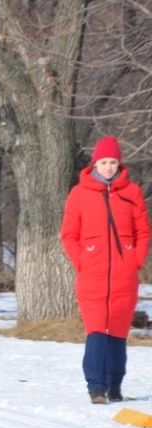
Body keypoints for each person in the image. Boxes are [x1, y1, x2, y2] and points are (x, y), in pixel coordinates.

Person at [60, 135, 149, 404]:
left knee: (118, 332)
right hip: (92, 275)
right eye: (103, 162)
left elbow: (143, 231)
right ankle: (96, 387)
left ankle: (114, 386)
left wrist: (135, 259)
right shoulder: (79, 194)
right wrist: (82, 261)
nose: (108, 167)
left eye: (112, 162)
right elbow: (68, 235)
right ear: (95, 163)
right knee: (97, 329)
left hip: (124, 276)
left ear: (119, 163)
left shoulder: (131, 192)